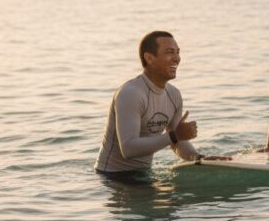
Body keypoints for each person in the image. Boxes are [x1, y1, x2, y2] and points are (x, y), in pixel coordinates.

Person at [95, 31, 225, 180]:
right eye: (170, 52)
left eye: (178, 52)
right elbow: (128, 148)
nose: (176, 58)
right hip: (112, 177)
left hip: (144, 174)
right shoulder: (131, 93)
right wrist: (174, 136)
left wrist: (198, 158)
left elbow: (177, 143)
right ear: (149, 58)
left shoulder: (174, 95)